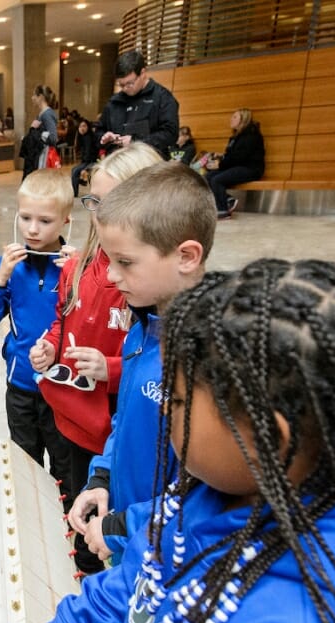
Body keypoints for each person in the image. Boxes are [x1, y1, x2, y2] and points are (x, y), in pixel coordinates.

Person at [3, 258, 335, 623]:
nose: (163, 408)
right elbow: (146, 570)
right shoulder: (214, 490)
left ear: (267, 437)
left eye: (177, 402)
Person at [64, 162, 216, 568]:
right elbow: (126, 421)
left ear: (186, 256)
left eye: (126, 262)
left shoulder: (208, 358)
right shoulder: (143, 328)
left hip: (164, 549)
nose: (111, 275)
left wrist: (126, 525)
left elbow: (208, 492)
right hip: (127, 528)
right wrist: (103, 477)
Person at [30, 142, 164, 576]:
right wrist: (51, 345)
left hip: (105, 429)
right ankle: (82, 566)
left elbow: (146, 365)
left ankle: (92, 571)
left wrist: (108, 370)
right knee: (74, 496)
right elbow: (60, 321)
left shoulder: (143, 290)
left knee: (105, 519)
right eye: (94, 202)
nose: (99, 215)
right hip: (67, 414)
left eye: (112, 204)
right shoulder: (78, 266)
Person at [0, 169, 70, 478]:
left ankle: (65, 518)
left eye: (45, 221)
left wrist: (81, 273)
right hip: (20, 383)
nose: (33, 229)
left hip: (61, 386)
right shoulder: (10, 266)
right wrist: (0, 278)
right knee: (25, 460)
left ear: (65, 220)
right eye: (25, 217)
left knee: (63, 463)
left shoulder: (73, 266)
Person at [99, 50, 179, 158]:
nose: (125, 88)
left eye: (130, 83)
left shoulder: (162, 97)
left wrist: (135, 141)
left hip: (150, 166)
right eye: (121, 85)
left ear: (143, 73)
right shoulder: (114, 102)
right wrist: (106, 137)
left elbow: (170, 134)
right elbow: (99, 131)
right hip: (120, 165)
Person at [206, 108, 265, 218]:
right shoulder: (236, 136)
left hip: (250, 168)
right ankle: (228, 199)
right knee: (207, 177)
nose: (231, 119)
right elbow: (232, 156)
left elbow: (240, 157)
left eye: (235, 117)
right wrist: (222, 156)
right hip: (238, 166)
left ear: (243, 119)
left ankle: (223, 211)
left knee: (217, 180)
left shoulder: (251, 135)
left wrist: (220, 165)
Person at [19, 85, 59, 180]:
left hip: (43, 157)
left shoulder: (47, 114)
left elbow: (53, 138)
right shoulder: (42, 114)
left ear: (40, 97)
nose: (32, 98)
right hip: (38, 155)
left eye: (34, 95)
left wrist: (37, 133)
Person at [69, 119, 99, 196]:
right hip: (87, 161)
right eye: (80, 126)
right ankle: (80, 183)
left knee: (75, 171)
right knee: (74, 170)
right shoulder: (83, 136)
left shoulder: (88, 137)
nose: (82, 128)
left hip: (92, 161)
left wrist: (84, 168)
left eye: (84, 126)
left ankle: (75, 193)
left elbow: (89, 153)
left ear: (88, 127)